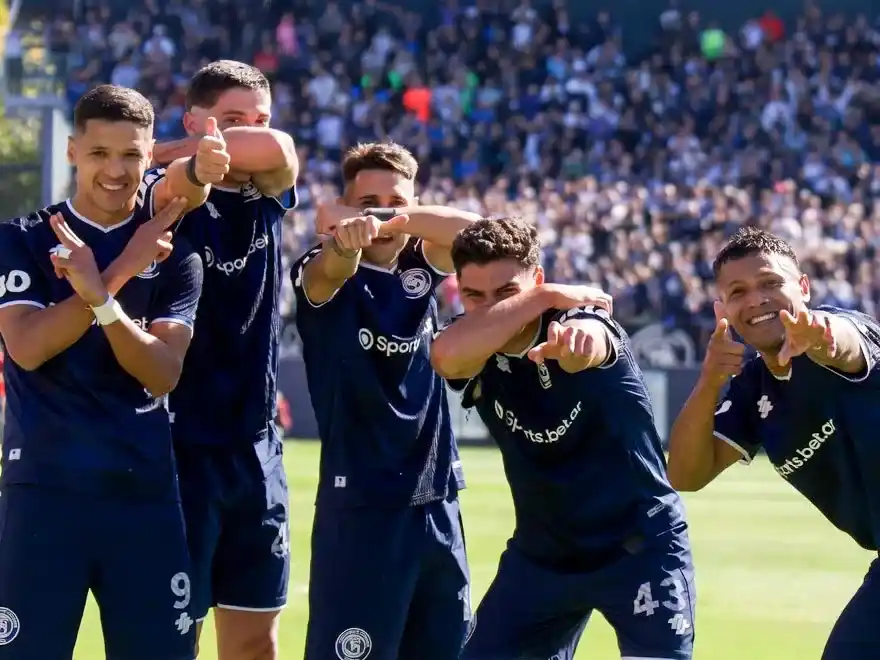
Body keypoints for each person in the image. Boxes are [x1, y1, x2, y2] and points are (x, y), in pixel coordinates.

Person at [0, 83, 229, 658]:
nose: (115, 170)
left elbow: (162, 372)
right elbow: (28, 346)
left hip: (143, 493)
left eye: (131, 155)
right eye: (100, 153)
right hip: (44, 493)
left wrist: (99, 296)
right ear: (73, 151)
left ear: (151, 157)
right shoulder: (21, 240)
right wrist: (122, 270)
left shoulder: (176, 255)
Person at [430, 218, 696, 660]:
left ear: (535, 278)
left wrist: (575, 345)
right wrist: (544, 295)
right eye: (475, 296)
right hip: (543, 555)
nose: (491, 308)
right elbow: (445, 357)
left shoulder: (576, 318)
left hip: (638, 546)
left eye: (507, 293)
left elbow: (592, 339)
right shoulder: (473, 340)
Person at [291, 142, 479, 660]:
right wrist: (346, 234)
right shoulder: (322, 266)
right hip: (361, 507)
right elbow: (328, 271)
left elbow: (481, 235)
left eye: (395, 200)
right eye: (366, 202)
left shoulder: (422, 261)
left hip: (437, 499)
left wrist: (395, 219)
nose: (379, 213)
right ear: (345, 205)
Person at [667, 226, 880, 660]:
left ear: (803, 287)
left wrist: (818, 336)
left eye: (770, 283)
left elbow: (844, 345)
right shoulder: (752, 389)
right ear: (722, 309)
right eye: (738, 292)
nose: (756, 300)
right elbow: (686, 475)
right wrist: (709, 381)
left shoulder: (847, 329)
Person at [151, 59, 298, 660]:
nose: (251, 132)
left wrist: (194, 144)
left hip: (257, 447)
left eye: (259, 118)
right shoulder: (161, 187)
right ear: (192, 119)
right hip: (175, 443)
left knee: (256, 642)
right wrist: (183, 157)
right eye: (232, 119)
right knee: (168, 639)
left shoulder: (269, 189)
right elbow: (169, 182)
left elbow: (279, 149)